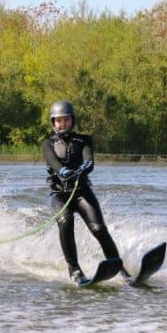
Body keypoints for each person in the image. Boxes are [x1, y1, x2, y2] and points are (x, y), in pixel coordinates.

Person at [41, 100, 126, 285]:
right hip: (60, 194)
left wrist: (85, 166)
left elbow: (89, 160)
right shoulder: (47, 143)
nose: (62, 124)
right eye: (58, 120)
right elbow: (53, 162)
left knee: (99, 229)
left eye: (66, 120)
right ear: (53, 122)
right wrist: (61, 170)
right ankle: (74, 270)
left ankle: (118, 267)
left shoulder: (84, 140)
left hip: (82, 192)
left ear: (72, 120)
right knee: (66, 221)